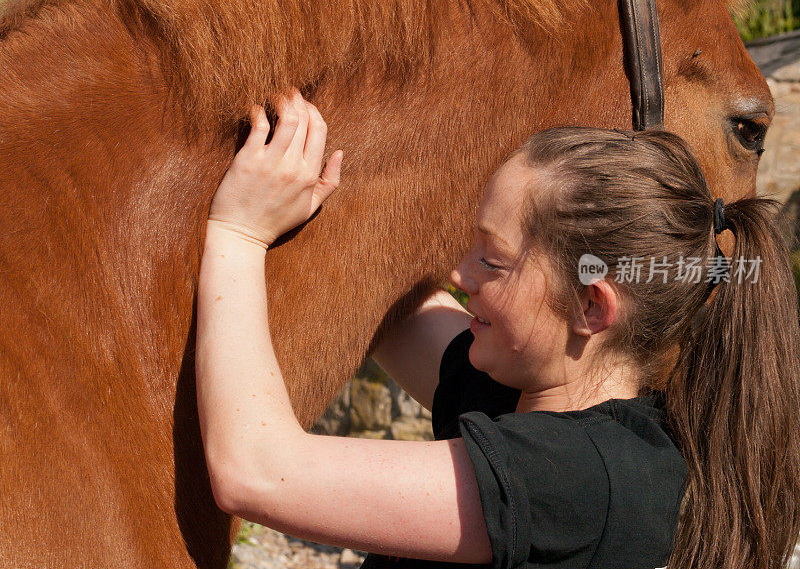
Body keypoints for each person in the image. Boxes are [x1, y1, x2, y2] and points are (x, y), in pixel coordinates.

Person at [195, 88, 800, 569]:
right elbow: (398, 311)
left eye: (494, 259)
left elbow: (257, 472)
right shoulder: (523, 398)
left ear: (592, 308)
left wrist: (237, 232)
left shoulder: (589, 478)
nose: (460, 274)